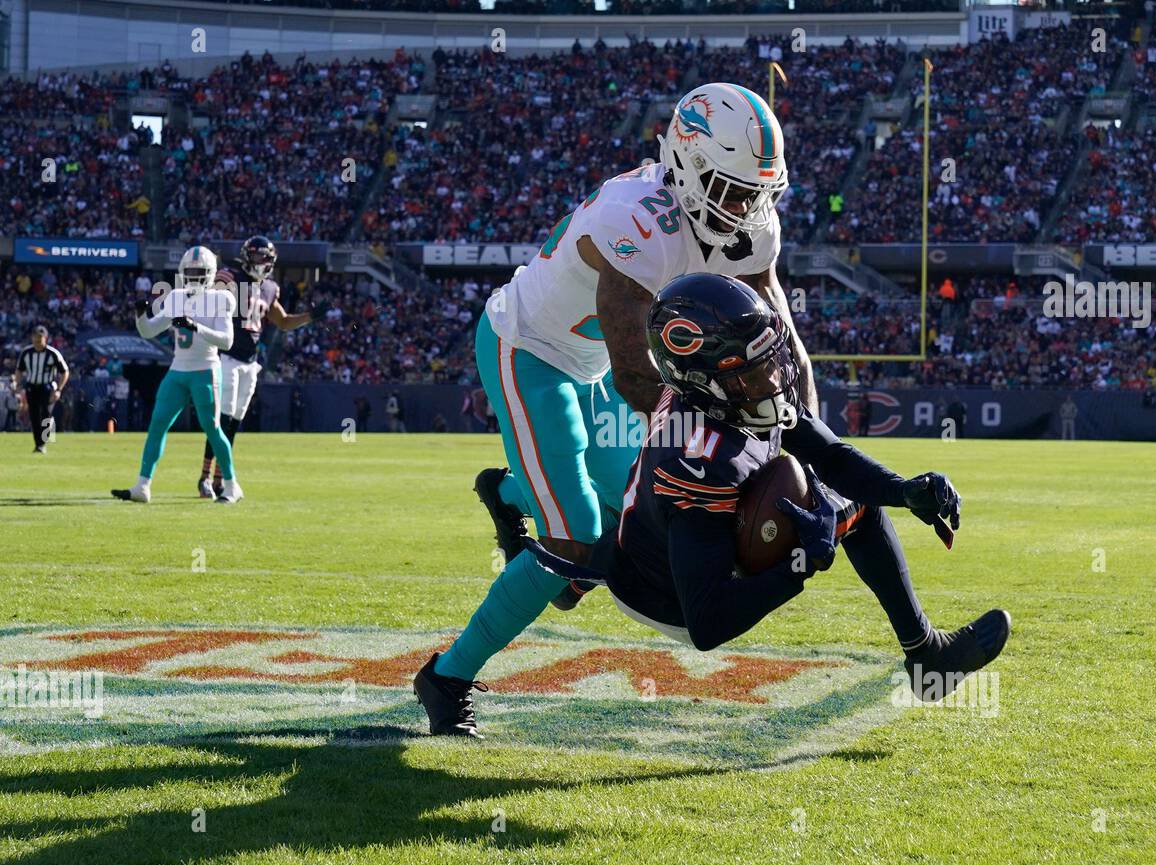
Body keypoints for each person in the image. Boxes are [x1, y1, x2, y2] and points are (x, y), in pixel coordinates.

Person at [415, 275, 1010, 737]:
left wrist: (905, 490)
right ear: (710, 377)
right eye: (753, 367)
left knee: (853, 501)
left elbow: (831, 456)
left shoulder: (733, 394)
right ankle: (528, 525)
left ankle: (925, 658)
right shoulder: (697, 458)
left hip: (661, 540)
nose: (772, 377)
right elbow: (705, 624)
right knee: (826, 513)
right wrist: (800, 564)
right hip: (663, 596)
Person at [419, 85, 818, 719]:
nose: (748, 210)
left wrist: (806, 427)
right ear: (687, 167)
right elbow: (639, 379)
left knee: (625, 518)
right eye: (734, 190)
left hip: (595, 363)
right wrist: (726, 437)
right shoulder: (637, 217)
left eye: (758, 194)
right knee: (576, 542)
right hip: (530, 350)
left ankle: (512, 493)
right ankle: (445, 679)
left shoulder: (741, 221)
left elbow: (779, 333)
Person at [111, 246, 243, 504]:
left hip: (205, 369)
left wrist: (196, 326)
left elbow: (227, 341)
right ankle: (142, 486)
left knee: (213, 428)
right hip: (178, 370)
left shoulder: (221, 298)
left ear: (211, 274)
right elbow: (149, 331)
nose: (194, 276)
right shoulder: (175, 297)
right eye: (190, 272)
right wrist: (140, 315)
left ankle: (231, 485)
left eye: (200, 272)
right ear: (182, 272)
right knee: (157, 425)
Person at [198, 236, 322, 499]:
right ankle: (206, 477)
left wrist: (312, 316)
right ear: (246, 256)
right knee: (222, 420)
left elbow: (284, 322)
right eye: (256, 256)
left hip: (250, 363)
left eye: (265, 257)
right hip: (227, 356)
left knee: (233, 423)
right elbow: (210, 296)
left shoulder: (269, 288)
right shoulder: (230, 277)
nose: (261, 262)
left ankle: (220, 478)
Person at [15, 325, 70, 454]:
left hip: (47, 387)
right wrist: (17, 385)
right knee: (34, 415)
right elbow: (19, 370)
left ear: (45, 338)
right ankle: (38, 444)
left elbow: (65, 372)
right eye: (35, 339)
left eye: (40, 340)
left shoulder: (53, 353)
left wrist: (59, 389)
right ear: (32, 338)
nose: (37, 343)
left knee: (45, 414)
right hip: (31, 387)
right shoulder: (26, 352)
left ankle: (43, 442)